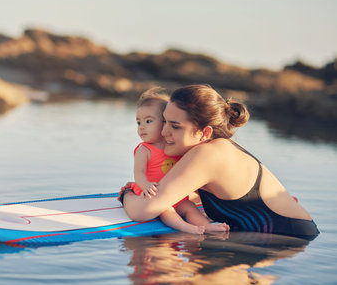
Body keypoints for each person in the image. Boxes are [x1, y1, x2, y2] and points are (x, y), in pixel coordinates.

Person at [120, 84, 319, 240]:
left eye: (175, 126)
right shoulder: (217, 147)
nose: (164, 133)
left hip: (289, 240)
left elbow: (143, 211)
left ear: (204, 133)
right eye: (164, 122)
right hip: (275, 238)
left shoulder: (207, 155)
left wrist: (127, 194)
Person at [131, 87, 229, 234]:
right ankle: (186, 228)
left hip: (174, 193)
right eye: (139, 123)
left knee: (190, 208)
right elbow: (138, 172)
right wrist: (145, 186)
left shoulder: (175, 147)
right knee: (166, 210)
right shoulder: (144, 149)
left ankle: (206, 226)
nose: (141, 127)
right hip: (152, 192)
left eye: (148, 121)